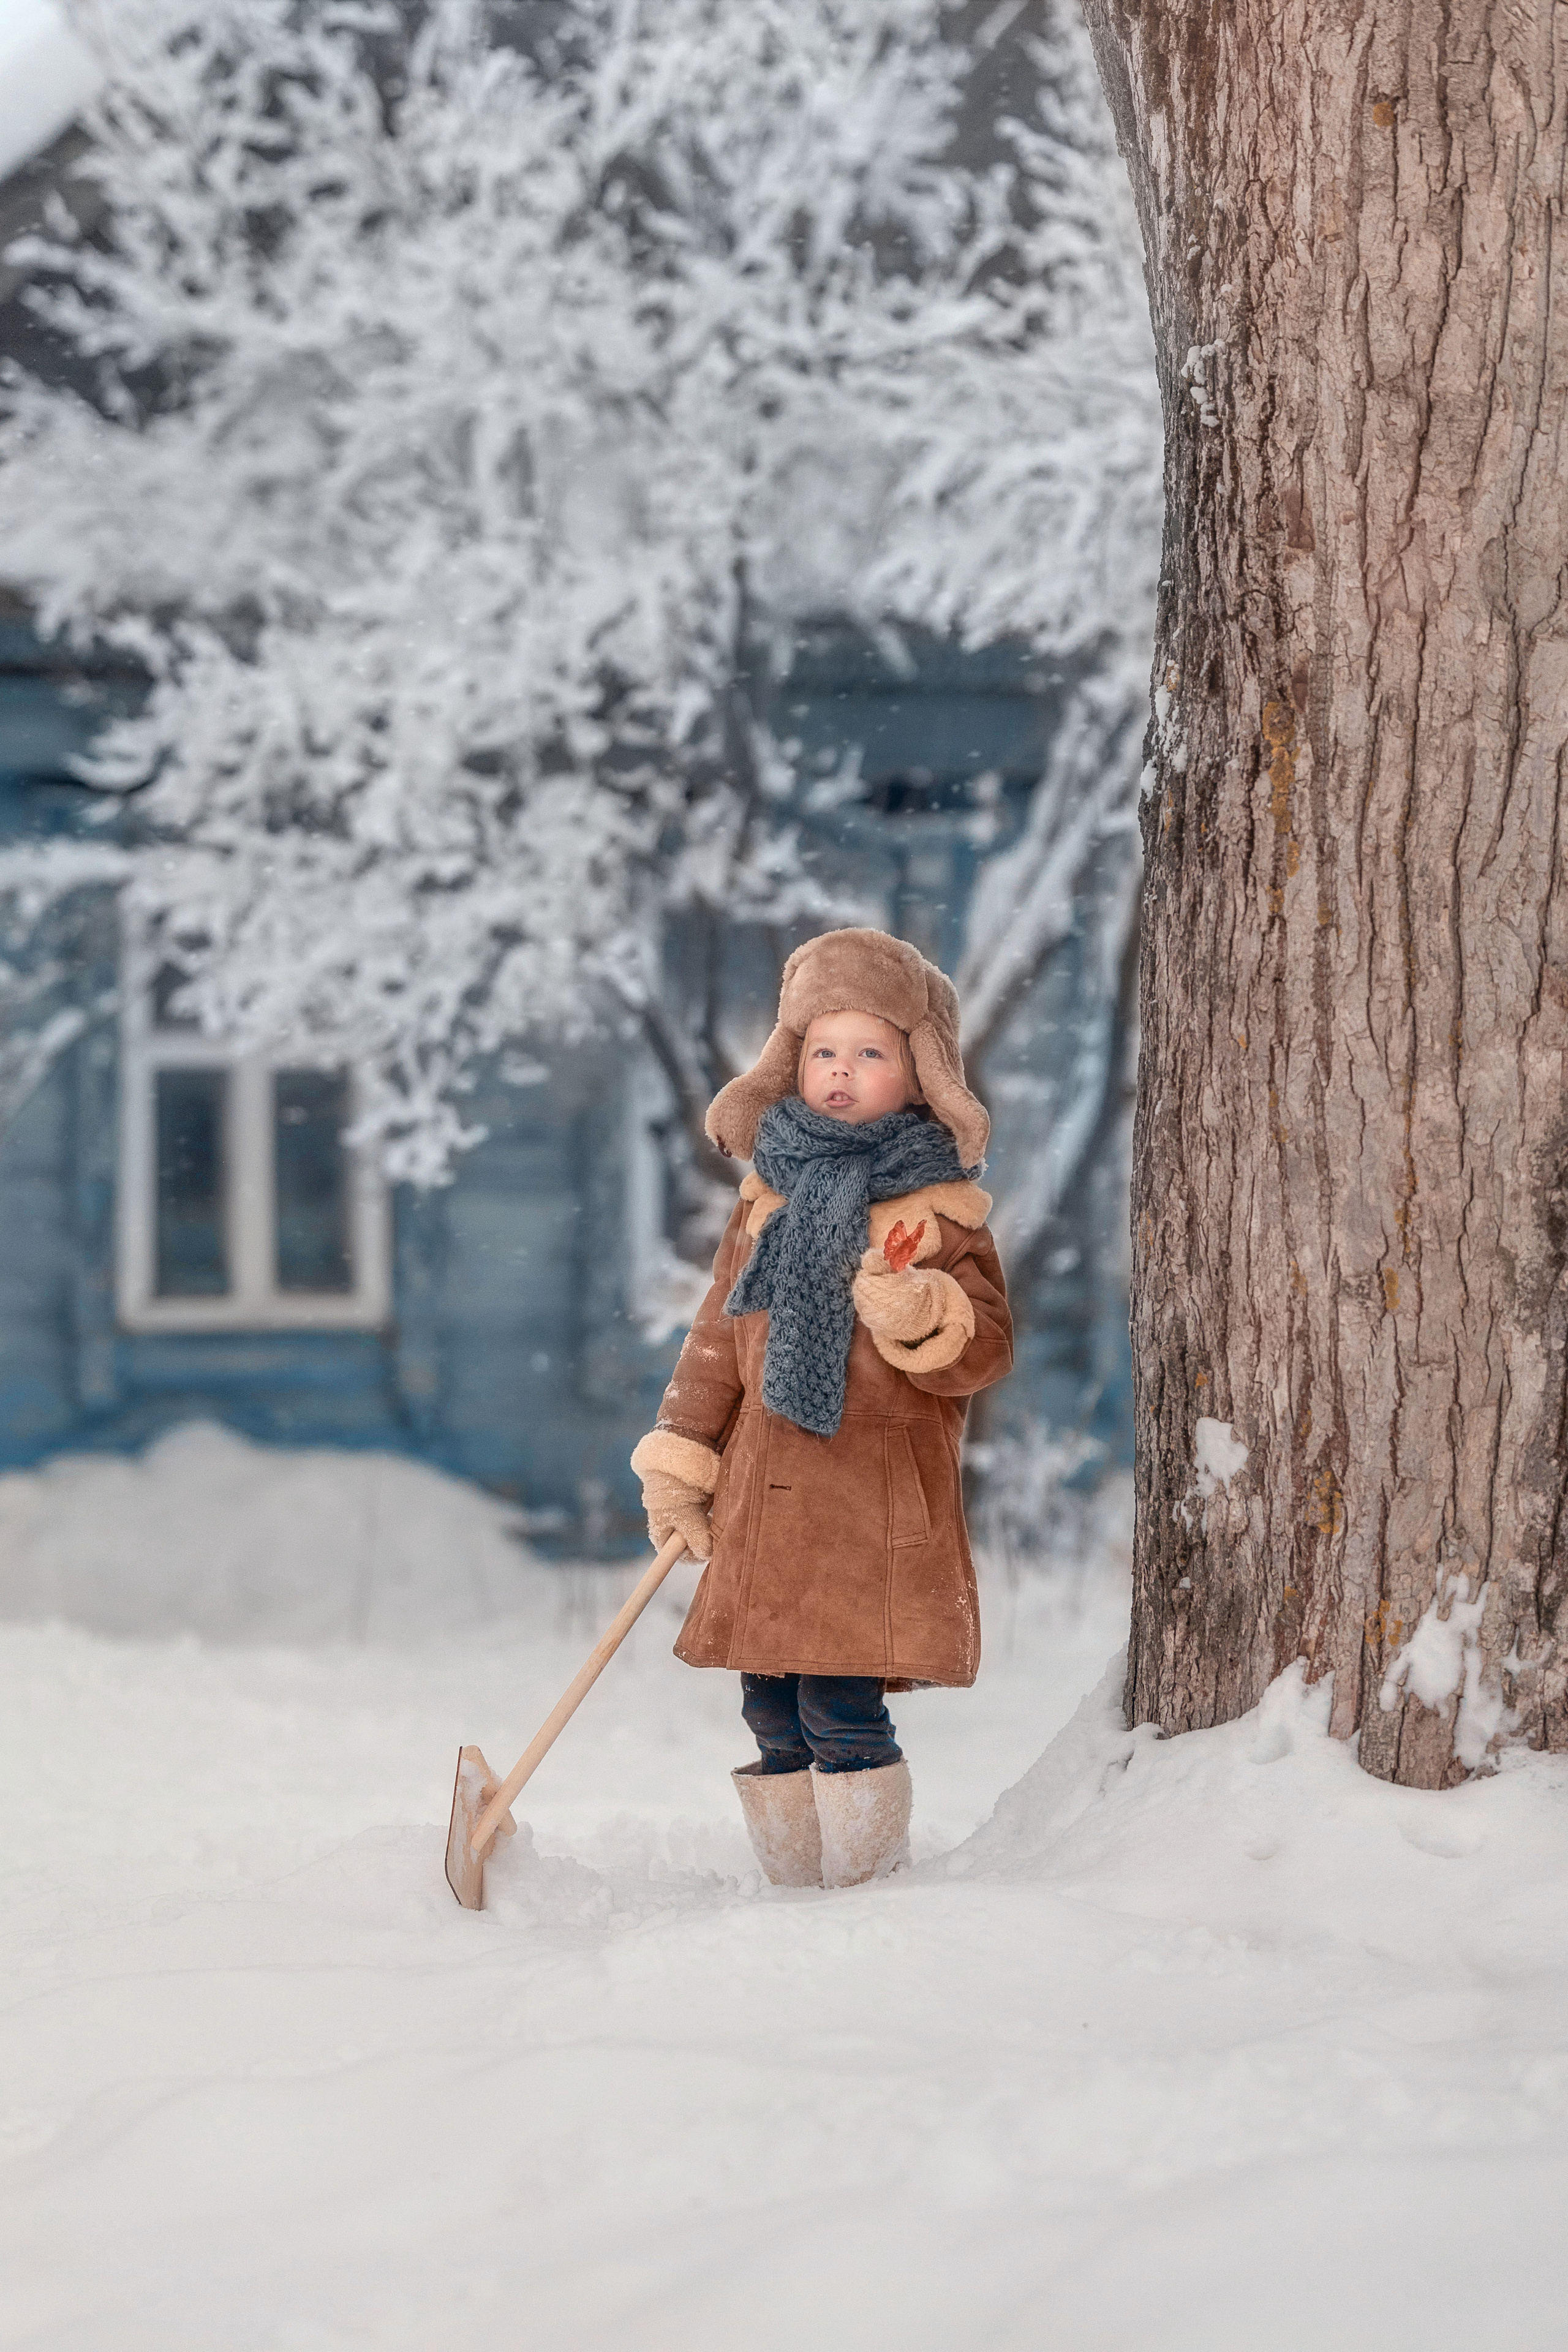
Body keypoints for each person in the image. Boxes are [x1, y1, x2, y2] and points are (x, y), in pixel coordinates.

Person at [630, 927, 1012, 1890]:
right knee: (770, 1708)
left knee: (838, 1708)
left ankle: (867, 1889)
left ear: (920, 1076)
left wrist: (928, 1311)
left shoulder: (941, 1214)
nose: (840, 1072)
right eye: (821, 1051)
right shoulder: (767, 1199)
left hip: (867, 1500)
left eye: (869, 1053)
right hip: (767, 1492)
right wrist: (683, 1451)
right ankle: (797, 1891)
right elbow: (720, 1333)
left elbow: (986, 1351)